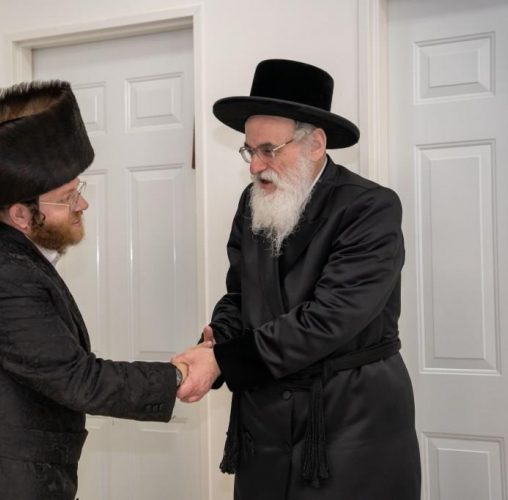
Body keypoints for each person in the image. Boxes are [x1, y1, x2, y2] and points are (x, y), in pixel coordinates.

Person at [173, 59, 421, 499]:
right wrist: (216, 343)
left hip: (349, 420)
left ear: (316, 143)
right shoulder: (253, 202)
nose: (255, 166)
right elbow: (240, 294)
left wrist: (227, 361)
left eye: (269, 150)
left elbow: (329, 319)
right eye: (249, 151)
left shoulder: (370, 208)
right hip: (265, 422)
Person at [0, 80, 188, 500]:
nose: (82, 205)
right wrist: (179, 376)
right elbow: (77, 378)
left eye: (78, 191)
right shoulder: (0, 276)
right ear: (21, 214)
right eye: (68, 197)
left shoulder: (10, 257)